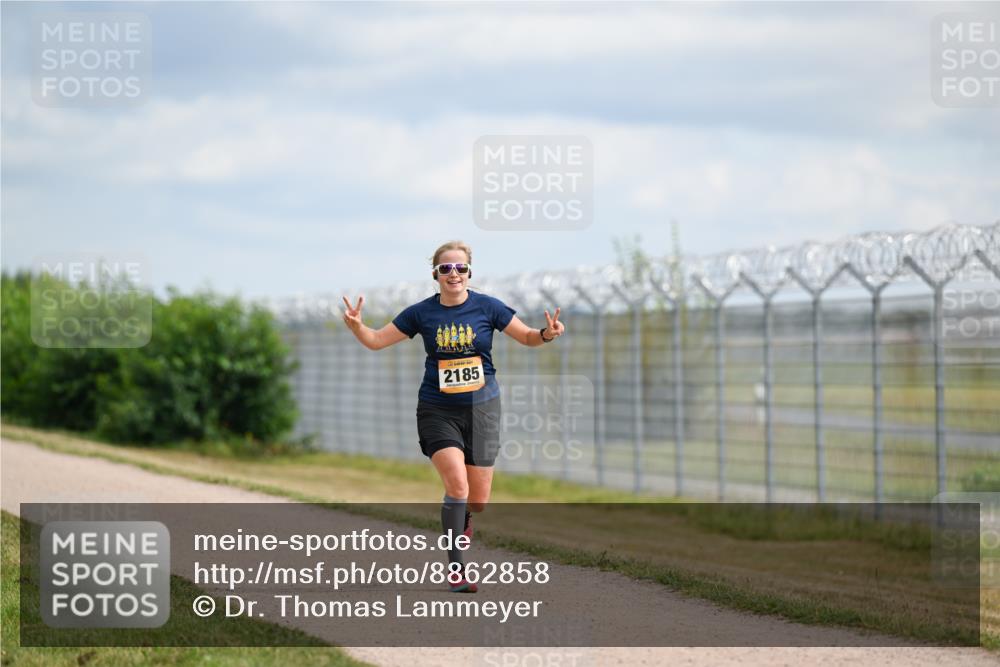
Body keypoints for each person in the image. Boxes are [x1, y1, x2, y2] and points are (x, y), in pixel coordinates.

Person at [341, 240, 565, 592]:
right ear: (435, 274)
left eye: (460, 268)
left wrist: (546, 335)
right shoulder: (421, 313)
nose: (454, 274)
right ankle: (457, 571)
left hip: (483, 409)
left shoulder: (488, 307)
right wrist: (358, 328)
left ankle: (464, 521)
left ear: (469, 272)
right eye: (446, 268)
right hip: (437, 408)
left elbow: (526, 337)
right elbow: (377, 340)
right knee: (456, 486)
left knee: (478, 500)